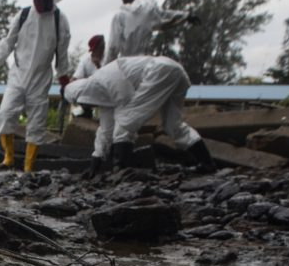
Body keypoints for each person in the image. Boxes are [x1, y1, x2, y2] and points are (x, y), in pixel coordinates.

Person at [0, 0, 71, 172]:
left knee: (36, 123)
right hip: (18, 75)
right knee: (5, 113)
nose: (39, 2)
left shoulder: (59, 20)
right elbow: (6, 46)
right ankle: (8, 157)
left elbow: (62, 57)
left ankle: (28, 167)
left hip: (40, 78)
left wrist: (65, 84)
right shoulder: (23, 15)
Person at [63, 54, 215, 177]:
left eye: (81, 102)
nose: (86, 106)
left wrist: (115, 144)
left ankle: (123, 170)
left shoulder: (105, 78)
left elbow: (126, 111)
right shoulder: (103, 95)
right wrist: (97, 156)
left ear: (81, 94)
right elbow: (105, 127)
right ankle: (207, 163)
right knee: (173, 125)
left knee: (126, 122)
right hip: (176, 73)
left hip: (160, 70)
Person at [103, 0, 199, 66]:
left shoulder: (119, 17)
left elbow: (113, 47)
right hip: (144, 63)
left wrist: (105, 68)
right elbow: (165, 15)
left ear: (123, 0)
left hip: (126, 65)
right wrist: (186, 16)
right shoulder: (147, 12)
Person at [71, 34, 104, 119]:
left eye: (98, 49)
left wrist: (98, 65)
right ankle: (86, 113)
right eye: (93, 50)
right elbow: (77, 77)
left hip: (105, 90)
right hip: (90, 91)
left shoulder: (108, 57)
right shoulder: (86, 60)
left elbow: (110, 77)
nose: (95, 52)